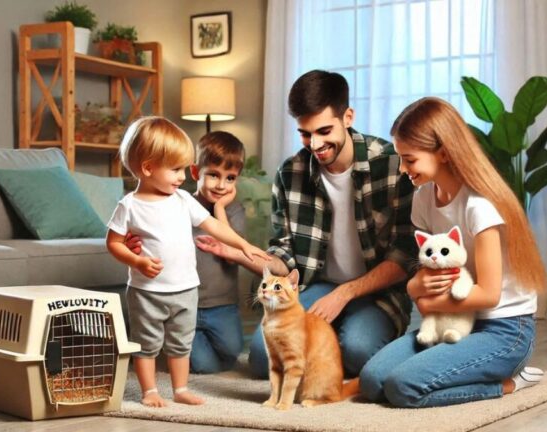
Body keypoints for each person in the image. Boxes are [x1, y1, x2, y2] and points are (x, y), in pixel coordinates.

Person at [195, 70, 418, 378]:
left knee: (357, 351)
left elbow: (405, 256)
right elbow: (284, 257)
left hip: (374, 291)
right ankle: (321, 344)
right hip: (316, 285)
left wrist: (344, 295)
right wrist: (236, 253)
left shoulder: (392, 164)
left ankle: (340, 340)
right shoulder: (290, 173)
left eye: (324, 130)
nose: (315, 144)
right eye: (305, 133)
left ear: (348, 117)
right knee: (262, 360)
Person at [359, 97, 547, 408]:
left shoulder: (480, 206)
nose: (403, 169)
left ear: (443, 153)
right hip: (455, 319)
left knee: (402, 387)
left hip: (505, 329)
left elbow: (488, 295)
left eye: (410, 160)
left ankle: (511, 382)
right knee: (372, 380)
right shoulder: (423, 201)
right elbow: (436, 272)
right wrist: (414, 287)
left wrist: (425, 298)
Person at [106, 116, 269, 407]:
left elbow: (213, 226)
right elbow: (114, 243)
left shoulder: (182, 200)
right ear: (148, 168)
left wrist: (244, 244)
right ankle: (150, 391)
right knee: (146, 344)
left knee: (181, 343)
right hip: (147, 291)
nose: (183, 177)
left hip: (185, 289)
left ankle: (180, 389)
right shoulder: (129, 205)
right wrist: (137, 262)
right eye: (176, 169)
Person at [189, 131, 248, 374]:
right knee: (206, 367)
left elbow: (232, 249)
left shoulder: (234, 210)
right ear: (195, 173)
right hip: (187, 305)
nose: (221, 185)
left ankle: (186, 345)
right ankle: (179, 340)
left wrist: (220, 207)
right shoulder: (182, 206)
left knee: (232, 352)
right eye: (213, 175)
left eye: (230, 178)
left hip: (222, 305)